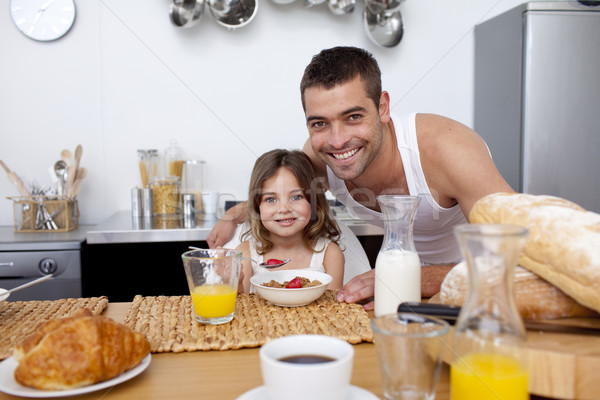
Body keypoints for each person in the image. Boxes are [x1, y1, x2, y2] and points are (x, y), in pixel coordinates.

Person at [208, 46, 514, 309]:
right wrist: (233, 216)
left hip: (477, 292)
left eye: (353, 117)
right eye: (319, 123)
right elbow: (276, 192)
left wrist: (416, 278)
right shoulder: (318, 157)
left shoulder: (447, 150)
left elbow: (523, 258)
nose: (337, 141)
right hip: (393, 290)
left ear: (383, 107)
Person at [235, 149, 345, 293]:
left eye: (296, 197)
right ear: (257, 206)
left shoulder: (330, 254)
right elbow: (240, 307)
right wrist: (230, 281)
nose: (284, 209)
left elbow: (334, 311)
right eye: (271, 199)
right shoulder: (246, 253)